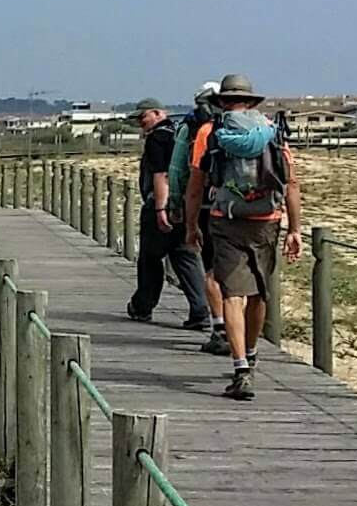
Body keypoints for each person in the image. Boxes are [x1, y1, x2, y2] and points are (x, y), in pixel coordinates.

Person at [185, 74, 302, 401]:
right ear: (252, 102)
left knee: (232, 294)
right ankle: (250, 354)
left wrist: (191, 226)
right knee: (259, 293)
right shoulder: (272, 131)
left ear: (221, 102)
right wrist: (295, 229)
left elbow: (196, 186)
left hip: (226, 219)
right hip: (267, 219)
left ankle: (240, 369)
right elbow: (290, 182)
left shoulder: (210, 132)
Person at [126, 99, 212, 327]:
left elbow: (160, 174)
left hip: (162, 206)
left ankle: (143, 306)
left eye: (142, 117)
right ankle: (200, 309)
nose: (140, 123)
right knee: (184, 255)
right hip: (186, 205)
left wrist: (160, 209)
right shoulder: (180, 132)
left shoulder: (157, 138)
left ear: (157, 113)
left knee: (150, 258)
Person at [168, 82, 232, 354]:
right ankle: (246, 342)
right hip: (251, 210)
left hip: (208, 207)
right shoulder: (258, 126)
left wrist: (176, 204)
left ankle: (220, 329)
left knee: (212, 271)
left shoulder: (197, 128)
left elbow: (179, 169)